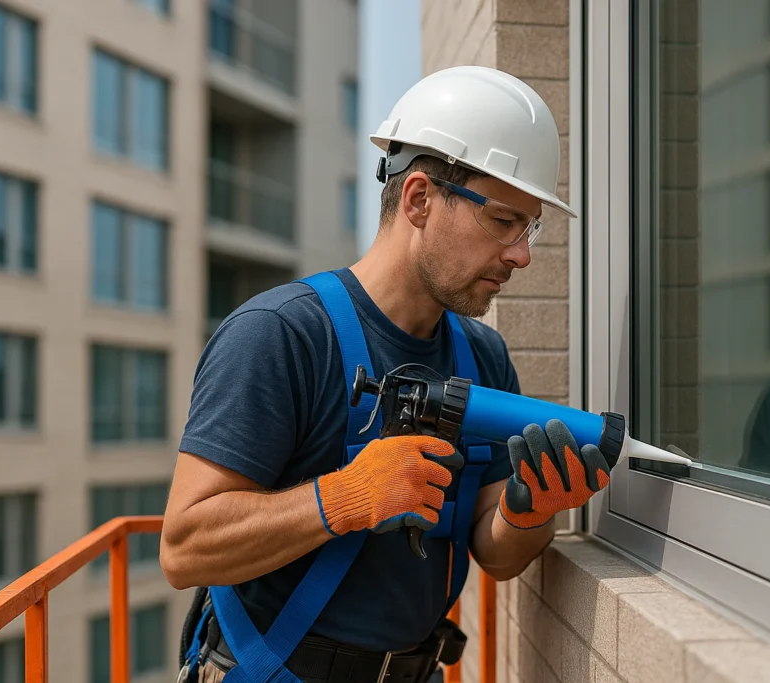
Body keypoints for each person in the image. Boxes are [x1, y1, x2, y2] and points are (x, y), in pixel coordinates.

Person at [161, 65, 621, 683]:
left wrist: (531, 510)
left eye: (530, 226)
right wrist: (345, 497)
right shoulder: (281, 335)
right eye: (505, 221)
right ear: (420, 199)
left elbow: (495, 552)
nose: (522, 254)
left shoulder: (483, 358)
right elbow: (185, 547)